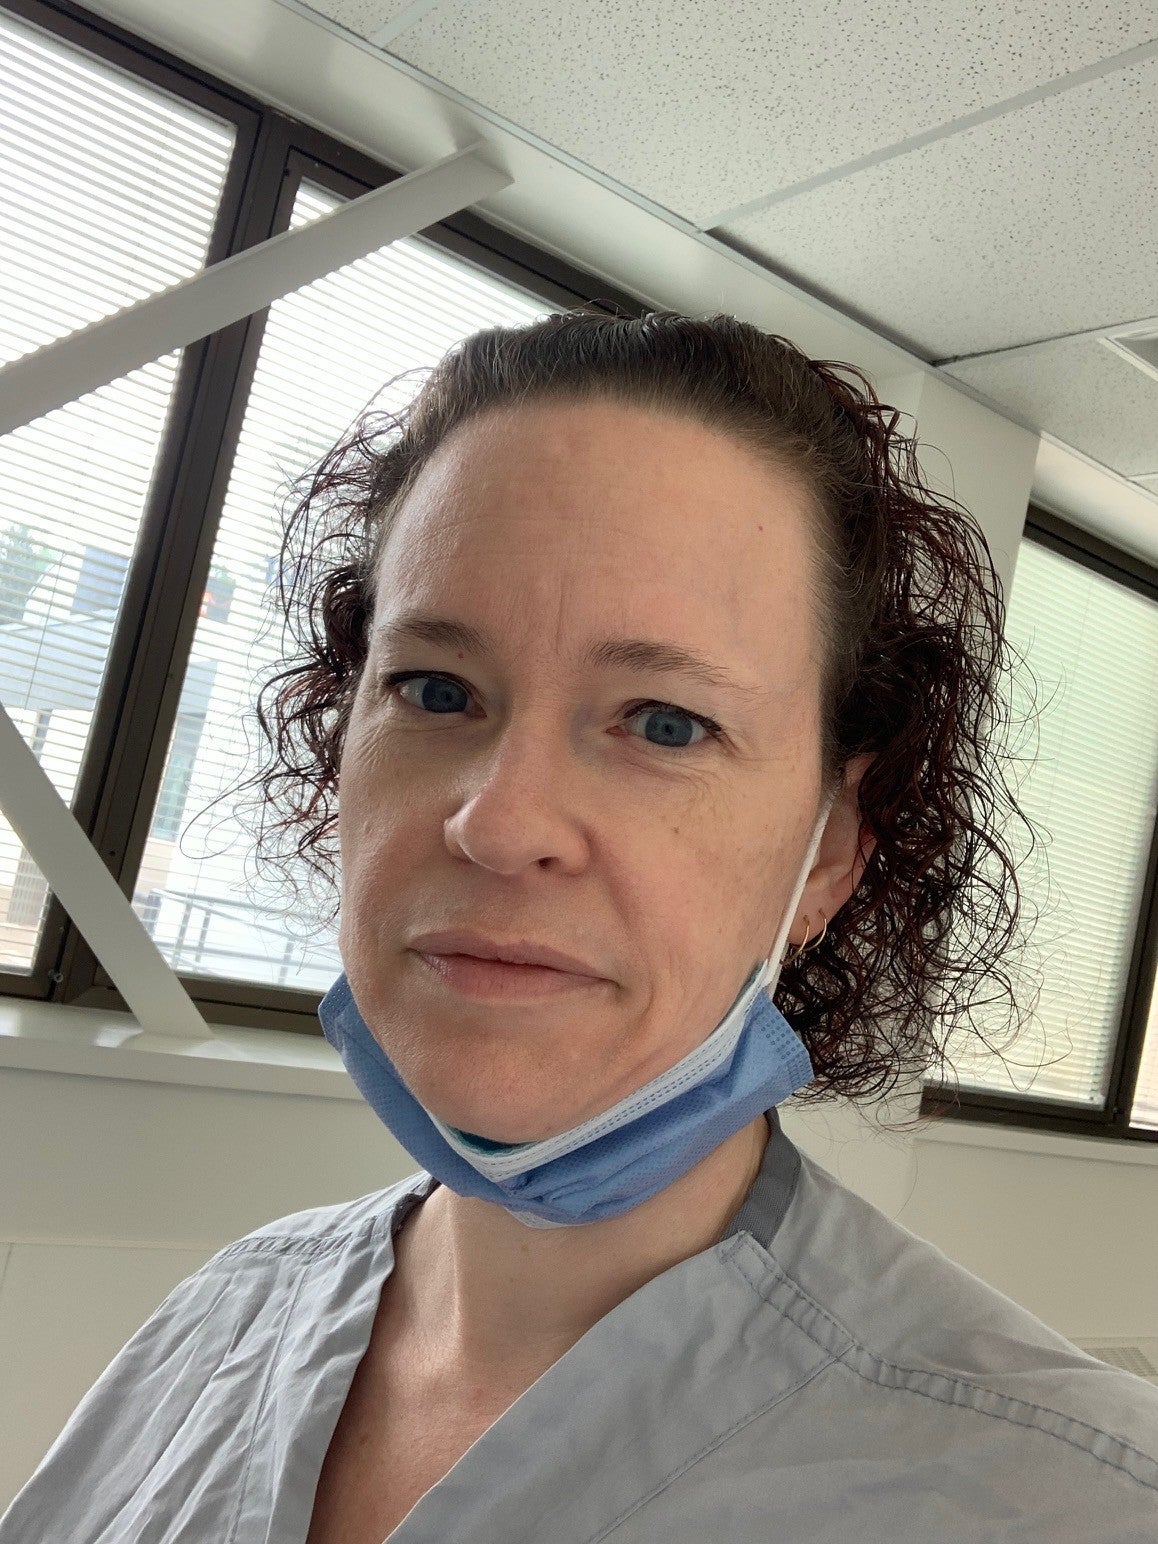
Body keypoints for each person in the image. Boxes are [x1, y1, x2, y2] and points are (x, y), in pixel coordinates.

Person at [2, 310, 1155, 1543]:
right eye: (436, 689)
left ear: (828, 851)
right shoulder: (215, 1324)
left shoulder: (1070, 1494)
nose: (501, 824)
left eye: (663, 722)